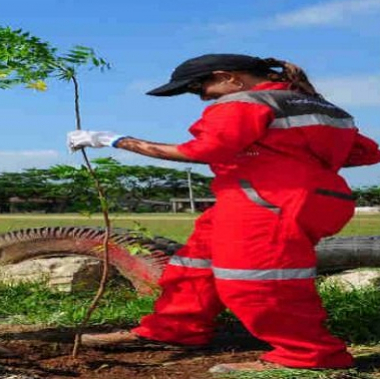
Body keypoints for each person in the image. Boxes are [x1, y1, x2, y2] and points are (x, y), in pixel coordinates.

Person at [67, 54, 380, 373]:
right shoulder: (322, 107)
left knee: (255, 278)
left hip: (267, 202)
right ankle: (175, 328)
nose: (202, 97)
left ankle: (309, 355)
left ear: (229, 77)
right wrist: (283, 155)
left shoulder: (244, 102)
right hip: (306, 197)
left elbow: (205, 150)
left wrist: (118, 141)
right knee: (194, 264)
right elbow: (365, 153)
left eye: (199, 88)